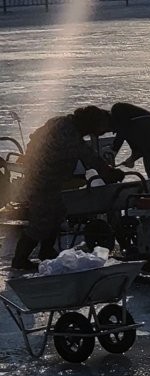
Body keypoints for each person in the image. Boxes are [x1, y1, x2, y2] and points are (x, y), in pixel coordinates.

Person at [11, 106, 123, 271]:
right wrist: (109, 172)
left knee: (57, 214)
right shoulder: (69, 133)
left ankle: (47, 251)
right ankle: (20, 260)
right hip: (42, 180)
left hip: (46, 178)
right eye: (101, 127)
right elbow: (88, 156)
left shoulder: (61, 122)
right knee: (42, 221)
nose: (103, 131)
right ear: (90, 123)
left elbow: (35, 137)